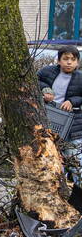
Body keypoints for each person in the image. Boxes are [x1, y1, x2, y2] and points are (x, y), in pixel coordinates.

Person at [39, 45, 82, 179]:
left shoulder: (80, 78)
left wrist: (72, 101)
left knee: (76, 163)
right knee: (51, 161)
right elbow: (35, 80)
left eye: (73, 59)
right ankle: (57, 191)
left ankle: (77, 194)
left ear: (77, 63)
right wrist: (45, 89)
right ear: (58, 60)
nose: (69, 62)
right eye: (65, 59)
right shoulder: (48, 72)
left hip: (73, 125)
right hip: (49, 120)